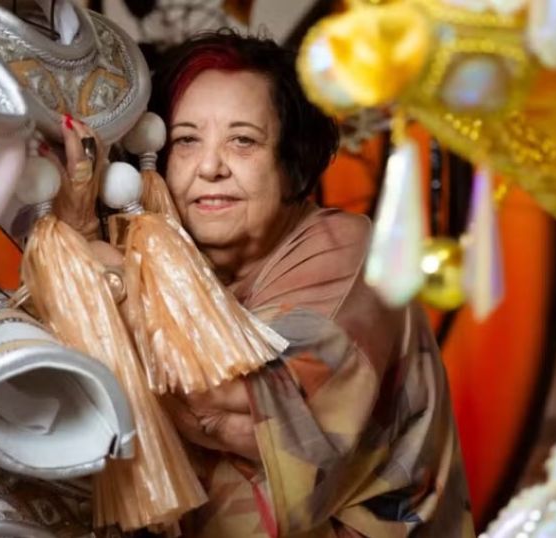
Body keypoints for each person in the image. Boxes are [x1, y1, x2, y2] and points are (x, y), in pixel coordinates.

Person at [146, 31, 475, 537]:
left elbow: (225, 400)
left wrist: (108, 290)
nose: (209, 167)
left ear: (292, 162)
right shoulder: (172, 259)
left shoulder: (348, 254)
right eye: (186, 140)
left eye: (243, 140)